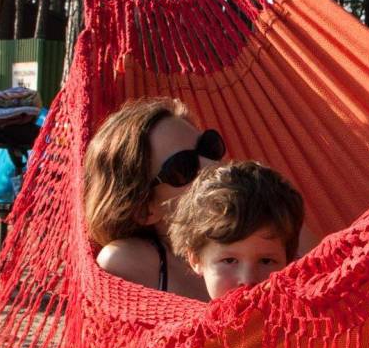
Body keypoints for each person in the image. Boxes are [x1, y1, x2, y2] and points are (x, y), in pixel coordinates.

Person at [84, 98, 227, 300]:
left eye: (209, 148)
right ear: (144, 210)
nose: (212, 165)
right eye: (183, 168)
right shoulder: (128, 260)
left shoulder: (263, 236)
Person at [166, 161, 305, 300]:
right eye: (230, 260)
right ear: (195, 259)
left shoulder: (309, 317)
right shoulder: (183, 319)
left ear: (288, 261)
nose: (248, 280)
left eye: (266, 261)